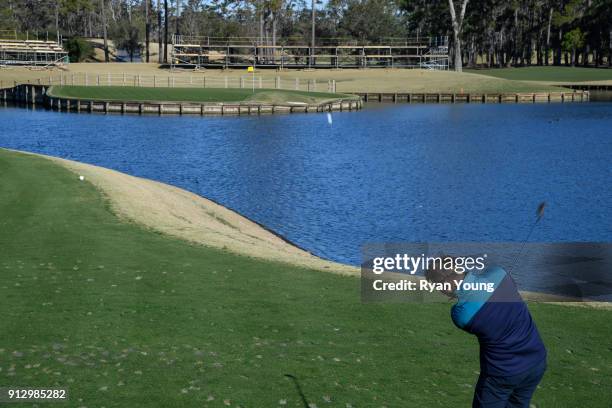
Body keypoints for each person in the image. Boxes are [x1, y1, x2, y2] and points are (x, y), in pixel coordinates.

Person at [425, 259, 547, 408]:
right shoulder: (499, 273)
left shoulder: (460, 314)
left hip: (502, 374)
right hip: (536, 361)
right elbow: (490, 274)